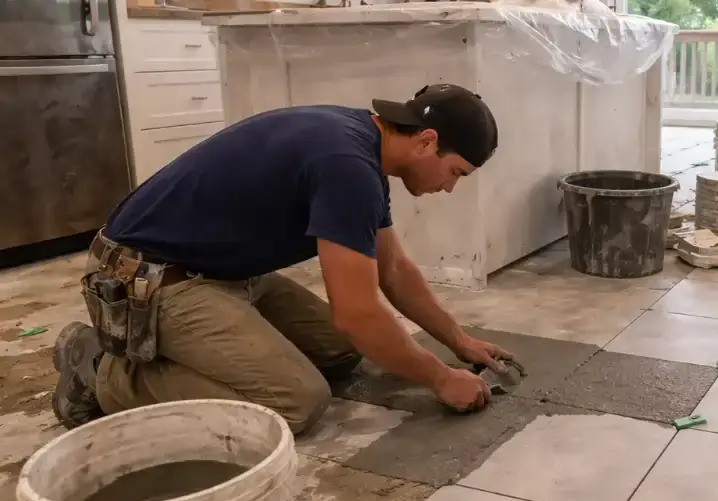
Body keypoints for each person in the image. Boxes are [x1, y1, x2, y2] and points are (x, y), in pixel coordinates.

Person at [52, 83, 522, 434]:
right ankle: (100, 371)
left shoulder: (363, 150)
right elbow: (357, 313)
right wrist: (441, 379)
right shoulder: (348, 167)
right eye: (454, 171)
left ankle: (212, 346)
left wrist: (459, 342)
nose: (449, 186)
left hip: (217, 271)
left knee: (340, 351)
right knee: (295, 400)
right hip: (146, 276)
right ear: (426, 141)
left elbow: (393, 270)